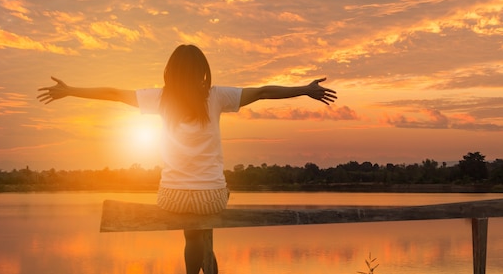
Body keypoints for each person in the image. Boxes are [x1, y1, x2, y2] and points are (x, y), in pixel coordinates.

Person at [37, 44, 337, 274]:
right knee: (210, 214)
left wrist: (70, 91)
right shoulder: (217, 96)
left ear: (170, 71)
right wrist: (304, 90)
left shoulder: (159, 98)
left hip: (172, 198)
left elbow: (114, 93)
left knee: (192, 237)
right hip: (212, 197)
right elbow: (262, 92)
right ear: (203, 71)